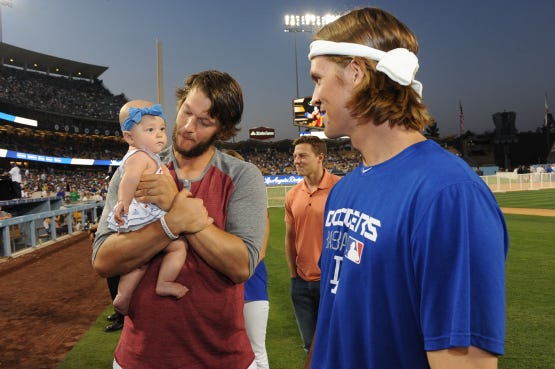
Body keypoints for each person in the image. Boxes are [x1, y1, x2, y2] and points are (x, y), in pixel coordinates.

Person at [304, 7, 508, 369]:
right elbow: (333, 317)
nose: (314, 97)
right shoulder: (343, 190)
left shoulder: (449, 195)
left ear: (356, 72)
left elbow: (465, 362)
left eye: (318, 79)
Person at [92, 70, 267, 369]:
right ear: (179, 103)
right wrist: (171, 223)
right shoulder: (134, 169)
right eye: (187, 111)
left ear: (222, 130)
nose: (187, 127)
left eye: (204, 121)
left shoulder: (242, 176)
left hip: (223, 358)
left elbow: (241, 266)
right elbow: (104, 261)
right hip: (139, 357)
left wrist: (174, 201)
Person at [106, 100, 188, 316]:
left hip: (148, 213)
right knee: (177, 247)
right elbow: (129, 179)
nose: (159, 135)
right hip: (145, 216)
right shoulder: (139, 156)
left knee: (140, 261)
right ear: (129, 137)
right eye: (150, 130)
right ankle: (164, 282)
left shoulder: (148, 156)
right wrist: (123, 201)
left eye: (161, 129)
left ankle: (123, 296)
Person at [284, 135, 340, 353]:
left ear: (320, 157)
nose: (296, 160)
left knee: (337, 345)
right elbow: (290, 237)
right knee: (310, 347)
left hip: (332, 282)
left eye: (302, 155)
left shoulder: (340, 188)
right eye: (295, 156)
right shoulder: (292, 195)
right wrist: (293, 275)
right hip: (301, 283)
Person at [224, 149, 271, 369]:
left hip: (251, 287)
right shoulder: (213, 204)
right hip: (222, 290)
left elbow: (257, 254)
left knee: (255, 350)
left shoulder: (257, 207)